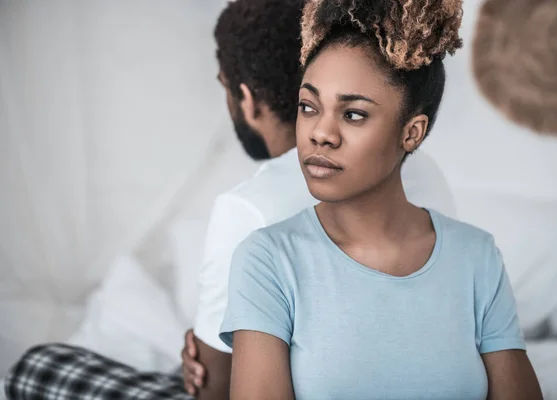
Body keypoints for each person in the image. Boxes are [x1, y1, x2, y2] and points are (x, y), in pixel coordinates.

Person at [4, 0, 456, 399]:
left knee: (40, 366)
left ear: (245, 97)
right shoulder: (419, 164)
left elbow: (213, 389)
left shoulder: (250, 207)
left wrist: (207, 361)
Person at [217, 0, 543, 399]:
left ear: (412, 132)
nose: (321, 133)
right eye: (308, 106)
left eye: (353, 114)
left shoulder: (477, 257)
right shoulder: (267, 260)